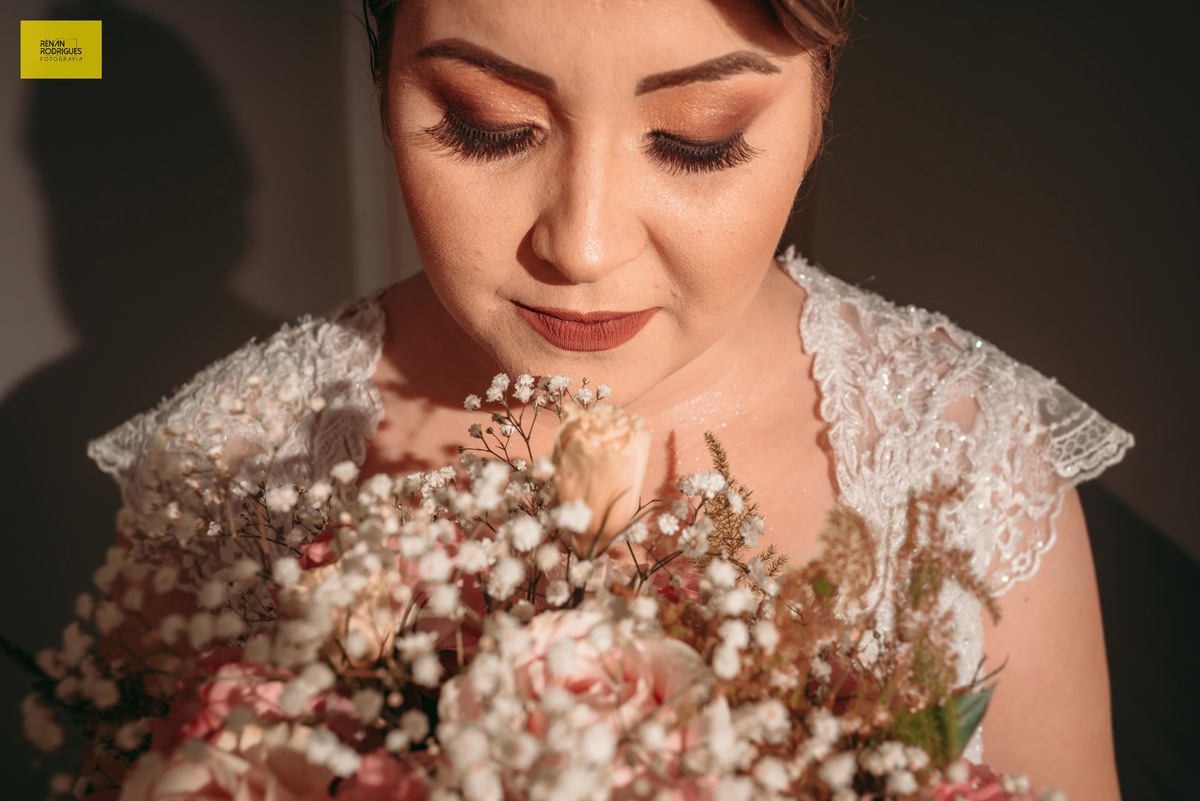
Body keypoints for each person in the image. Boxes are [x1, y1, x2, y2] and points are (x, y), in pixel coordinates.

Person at [88, 1, 1132, 798]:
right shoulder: (223, 468)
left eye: (698, 140)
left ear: (820, 106)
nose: (582, 247)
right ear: (382, 83)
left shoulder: (963, 459)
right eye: (488, 126)